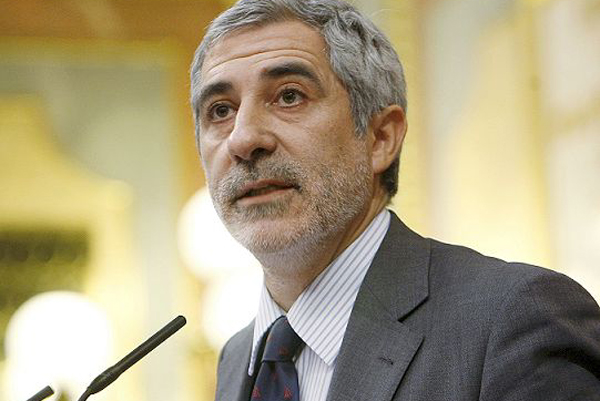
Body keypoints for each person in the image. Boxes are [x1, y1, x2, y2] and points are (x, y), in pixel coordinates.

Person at [189, 0, 600, 400]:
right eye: (220, 110)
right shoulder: (237, 358)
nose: (243, 139)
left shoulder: (514, 319)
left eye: (290, 96)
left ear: (380, 138)